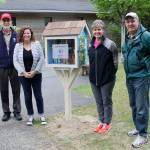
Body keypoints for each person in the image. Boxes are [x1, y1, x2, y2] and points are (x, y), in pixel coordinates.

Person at [122, 12, 150, 148]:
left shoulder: (145, 36)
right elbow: (125, 53)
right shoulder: (128, 37)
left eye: (132, 21)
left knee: (141, 107)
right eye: (127, 21)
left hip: (142, 77)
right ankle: (138, 128)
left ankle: (143, 135)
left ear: (138, 22)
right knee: (133, 105)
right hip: (130, 77)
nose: (130, 23)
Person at [88, 20, 118, 134]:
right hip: (93, 79)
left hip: (107, 80)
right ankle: (101, 121)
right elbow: (90, 61)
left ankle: (107, 123)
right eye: (95, 29)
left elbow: (115, 62)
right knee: (98, 101)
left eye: (99, 29)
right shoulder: (90, 44)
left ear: (103, 30)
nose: (97, 31)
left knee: (106, 101)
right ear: (92, 31)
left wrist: (109, 74)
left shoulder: (110, 44)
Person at [13, 26, 47, 126]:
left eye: (28, 33)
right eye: (25, 33)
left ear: (31, 34)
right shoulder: (17, 46)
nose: (27, 35)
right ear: (22, 35)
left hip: (36, 74)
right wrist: (23, 73)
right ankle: (30, 116)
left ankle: (41, 115)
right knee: (27, 96)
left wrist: (34, 71)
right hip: (23, 76)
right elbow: (15, 61)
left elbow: (41, 58)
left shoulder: (36, 44)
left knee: (38, 95)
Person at [0, 13, 22, 121]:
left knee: (16, 90)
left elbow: (21, 50)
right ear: (1, 22)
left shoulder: (16, 35)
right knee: (3, 90)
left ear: (11, 22)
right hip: (2, 67)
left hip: (15, 67)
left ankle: (17, 111)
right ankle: (6, 112)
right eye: (4, 21)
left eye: (8, 20)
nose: (6, 22)